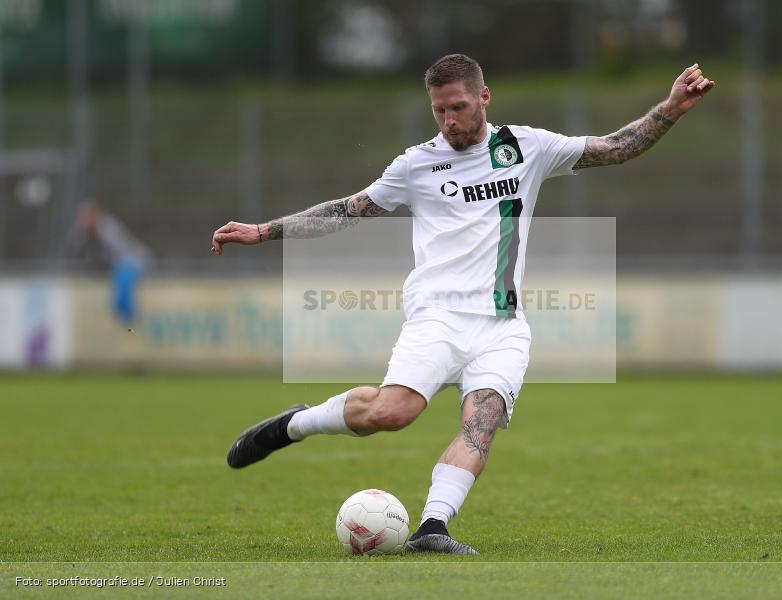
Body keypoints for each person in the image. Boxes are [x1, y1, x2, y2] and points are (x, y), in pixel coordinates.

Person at [210, 54, 714, 554]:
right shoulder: (416, 163)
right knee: (392, 412)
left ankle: (433, 527)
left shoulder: (526, 147)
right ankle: (296, 423)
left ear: (483, 97)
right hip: (438, 316)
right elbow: (347, 210)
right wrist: (262, 231)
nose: (449, 120)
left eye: (457, 107)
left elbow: (616, 148)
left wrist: (672, 107)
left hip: (504, 326)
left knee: (482, 420)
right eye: (439, 111)